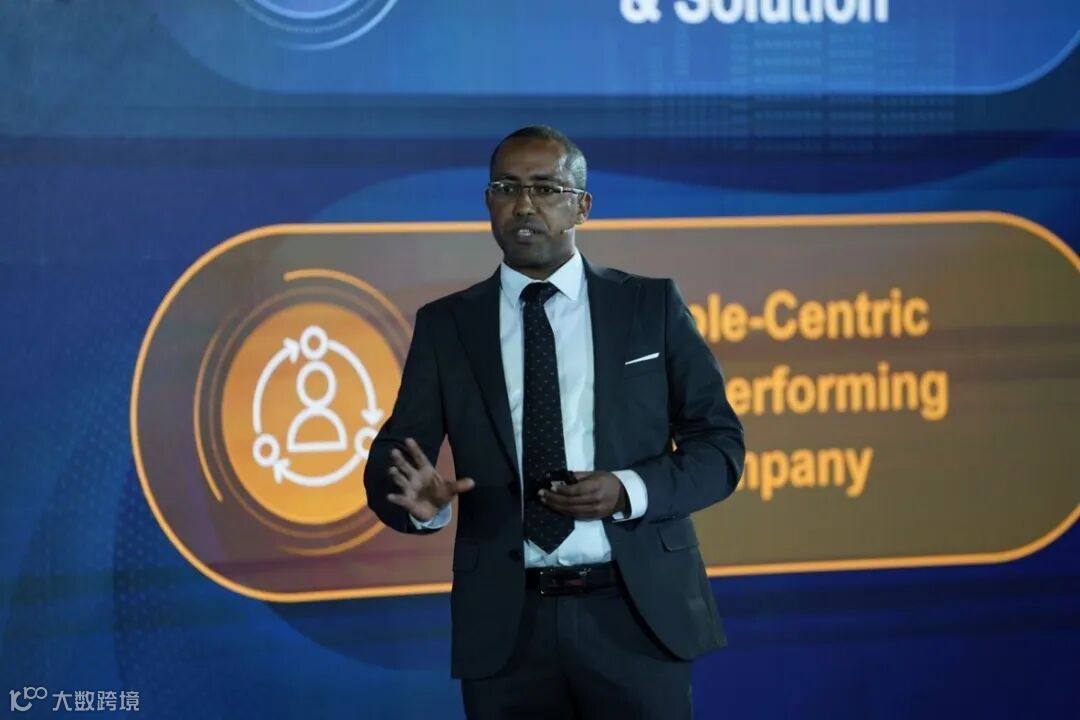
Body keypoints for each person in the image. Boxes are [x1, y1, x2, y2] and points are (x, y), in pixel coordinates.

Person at [363, 125, 745, 719]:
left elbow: (719, 447)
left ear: (582, 207)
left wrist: (628, 489)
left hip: (637, 615)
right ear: (488, 202)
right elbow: (397, 457)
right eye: (507, 187)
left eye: (545, 188)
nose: (524, 204)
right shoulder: (447, 326)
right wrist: (420, 504)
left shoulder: (648, 306)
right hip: (507, 626)